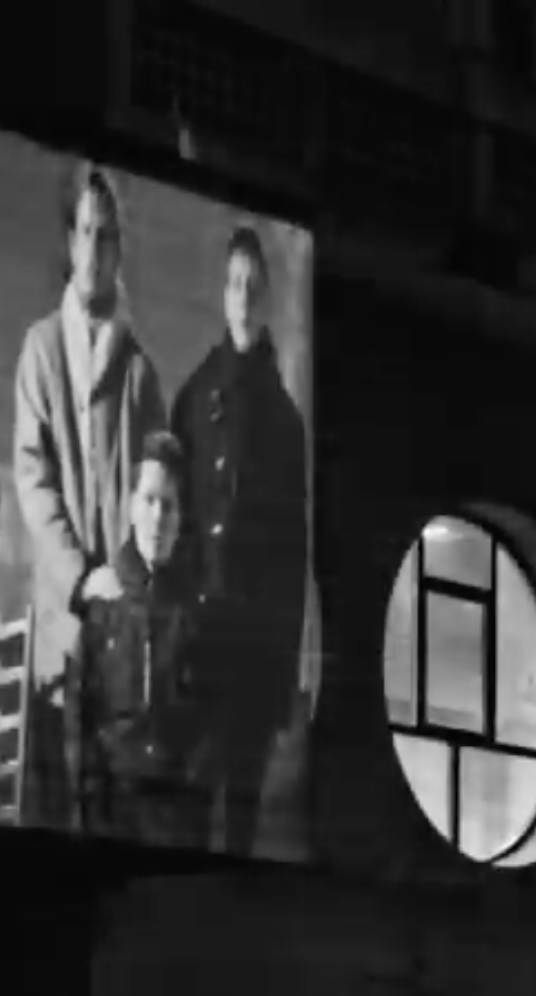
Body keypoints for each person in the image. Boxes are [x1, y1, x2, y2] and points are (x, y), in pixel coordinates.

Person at [13, 165, 168, 828]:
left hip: (121, 633)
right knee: (55, 807)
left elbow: (157, 494)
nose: (94, 248)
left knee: (113, 814)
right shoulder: (41, 349)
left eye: (105, 235)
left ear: (118, 248)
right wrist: (80, 576)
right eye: (84, 231)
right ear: (68, 240)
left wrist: (122, 579)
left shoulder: (140, 371)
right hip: (61, 620)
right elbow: (32, 477)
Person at [170, 225, 312, 857]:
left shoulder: (285, 423)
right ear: (222, 294)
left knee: (241, 827)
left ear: (268, 296)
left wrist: (283, 678)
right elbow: (175, 528)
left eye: (253, 285)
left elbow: (292, 556)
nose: (243, 296)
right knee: (190, 815)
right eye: (234, 283)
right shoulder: (194, 398)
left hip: (254, 658)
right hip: (200, 646)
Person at [71, 432, 205, 848]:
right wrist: (91, 800)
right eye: (148, 500)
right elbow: (84, 714)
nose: (158, 517)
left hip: (174, 811)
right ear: (131, 506)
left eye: (169, 505)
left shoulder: (195, 610)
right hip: (111, 804)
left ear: (181, 516)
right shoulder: (104, 599)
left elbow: (206, 727)